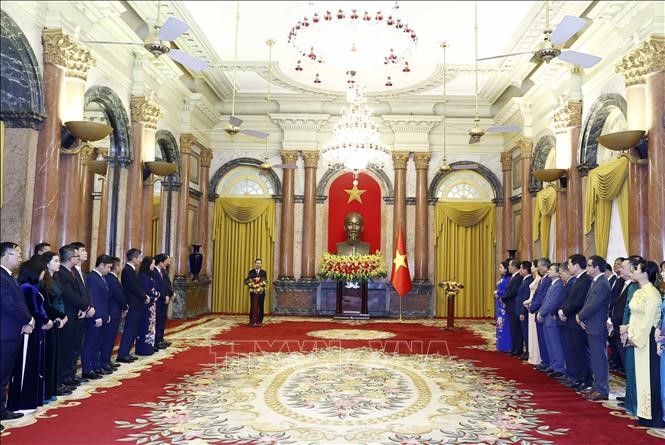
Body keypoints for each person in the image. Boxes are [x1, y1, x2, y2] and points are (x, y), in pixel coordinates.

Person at [7, 257, 52, 412]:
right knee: (26, 366)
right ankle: (21, 402)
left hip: (37, 330)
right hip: (29, 332)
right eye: (43, 270)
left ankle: (31, 401)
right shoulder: (27, 288)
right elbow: (32, 310)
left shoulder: (33, 287)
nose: (44, 273)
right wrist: (45, 320)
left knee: (34, 366)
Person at [627, 260, 664, 427]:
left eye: (636, 269)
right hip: (637, 336)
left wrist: (638, 339)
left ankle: (653, 416)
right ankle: (643, 413)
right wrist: (630, 334)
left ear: (644, 273)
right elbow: (634, 315)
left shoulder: (653, 294)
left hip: (648, 338)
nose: (632, 272)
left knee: (651, 377)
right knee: (640, 377)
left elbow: (649, 320)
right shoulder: (638, 292)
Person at [0, 242, 34, 427]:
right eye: (17, 254)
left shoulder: (8, 276)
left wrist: (26, 320)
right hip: (4, 334)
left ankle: (2, 409)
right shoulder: (1, 277)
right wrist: (28, 320)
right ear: (6, 256)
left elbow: (19, 302)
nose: (21, 257)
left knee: (4, 374)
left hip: (11, 331)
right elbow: (9, 305)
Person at [577, 255, 612, 401]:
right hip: (592, 325)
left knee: (600, 359)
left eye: (589, 265)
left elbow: (594, 305)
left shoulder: (602, 283)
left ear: (596, 267)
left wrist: (580, 316)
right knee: (595, 359)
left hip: (597, 326)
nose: (587, 268)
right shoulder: (596, 281)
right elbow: (589, 303)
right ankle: (597, 386)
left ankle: (602, 389)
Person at [39, 251, 70, 399]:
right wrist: (59, 317)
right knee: (50, 356)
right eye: (55, 261)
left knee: (58, 353)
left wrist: (63, 316)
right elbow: (46, 305)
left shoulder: (55, 278)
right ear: (47, 263)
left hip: (59, 318)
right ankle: (51, 387)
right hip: (51, 320)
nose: (59, 263)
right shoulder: (43, 282)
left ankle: (55, 385)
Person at [81, 255, 113, 379]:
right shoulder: (92, 278)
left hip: (103, 315)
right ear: (101, 265)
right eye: (108, 267)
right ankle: (87, 369)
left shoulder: (101, 277)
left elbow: (104, 299)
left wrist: (106, 315)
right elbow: (94, 299)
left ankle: (96, 366)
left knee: (98, 343)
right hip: (95, 317)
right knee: (90, 344)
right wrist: (97, 317)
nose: (109, 270)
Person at [117, 249, 147, 363]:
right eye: (140, 258)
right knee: (129, 330)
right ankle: (122, 354)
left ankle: (127, 353)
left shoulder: (132, 270)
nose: (141, 260)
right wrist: (144, 296)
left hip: (136, 304)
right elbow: (134, 287)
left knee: (133, 330)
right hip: (132, 304)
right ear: (134, 258)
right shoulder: (127, 270)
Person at [537, 263, 566, 378]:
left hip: (551, 318)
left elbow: (552, 303)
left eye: (551, 270)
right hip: (547, 318)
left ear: (558, 273)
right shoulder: (552, 284)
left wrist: (542, 313)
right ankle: (553, 365)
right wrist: (541, 311)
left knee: (555, 344)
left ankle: (559, 367)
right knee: (549, 343)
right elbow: (545, 301)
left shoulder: (558, 285)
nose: (548, 271)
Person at [101, 257, 125, 372]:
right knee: (109, 338)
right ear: (116, 267)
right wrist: (125, 306)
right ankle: (105, 362)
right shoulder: (112, 279)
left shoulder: (110, 278)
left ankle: (107, 360)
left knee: (111, 338)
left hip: (114, 312)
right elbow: (118, 296)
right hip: (113, 312)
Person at [501, 259, 524, 357]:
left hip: (514, 306)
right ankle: (514, 347)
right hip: (511, 306)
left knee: (516, 329)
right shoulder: (513, 277)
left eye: (510, 266)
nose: (508, 267)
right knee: (513, 328)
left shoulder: (518, 278)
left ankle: (518, 349)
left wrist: (503, 298)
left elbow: (513, 291)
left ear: (514, 267)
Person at [136, 256, 159, 356]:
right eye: (152, 263)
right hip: (146, 305)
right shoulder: (143, 276)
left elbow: (154, 287)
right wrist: (154, 295)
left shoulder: (151, 275)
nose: (154, 265)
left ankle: (150, 347)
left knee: (151, 325)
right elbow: (145, 290)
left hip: (152, 305)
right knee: (145, 325)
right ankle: (144, 349)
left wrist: (156, 294)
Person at [153, 254, 173, 350]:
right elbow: (157, 287)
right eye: (167, 260)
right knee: (158, 320)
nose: (168, 262)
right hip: (159, 300)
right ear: (161, 262)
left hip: (165, 299)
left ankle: (160, 339)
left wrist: (170, 294)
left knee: (162, 319)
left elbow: (167, 284)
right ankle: (156, 341)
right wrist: (164, 296)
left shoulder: (163, 271)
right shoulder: (154, 272)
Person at [494, 260, 512, 352]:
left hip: (504, 303)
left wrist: (498, 292)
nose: (499, 269)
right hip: (500, 303)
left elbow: (507, 291)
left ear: (506, 269)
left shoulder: (508, 279)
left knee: (504, 324)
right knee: (500, 323)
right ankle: (501, 344)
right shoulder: (503, 278)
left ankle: (506, 345)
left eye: (501, 267)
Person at [244, 258, 268, 327]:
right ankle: (252, 320)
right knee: (252, 306)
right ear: (255, 264)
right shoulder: (251, 272)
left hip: (261, 293)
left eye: (259, 263)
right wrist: (253, 280)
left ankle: (260, 320)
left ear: (261, 264)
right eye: (257, 263)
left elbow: (265, 281)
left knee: (261, 306)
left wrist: (260, 280)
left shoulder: (263, 272)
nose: (258, 264)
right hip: (253, 293)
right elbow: (247, 280)